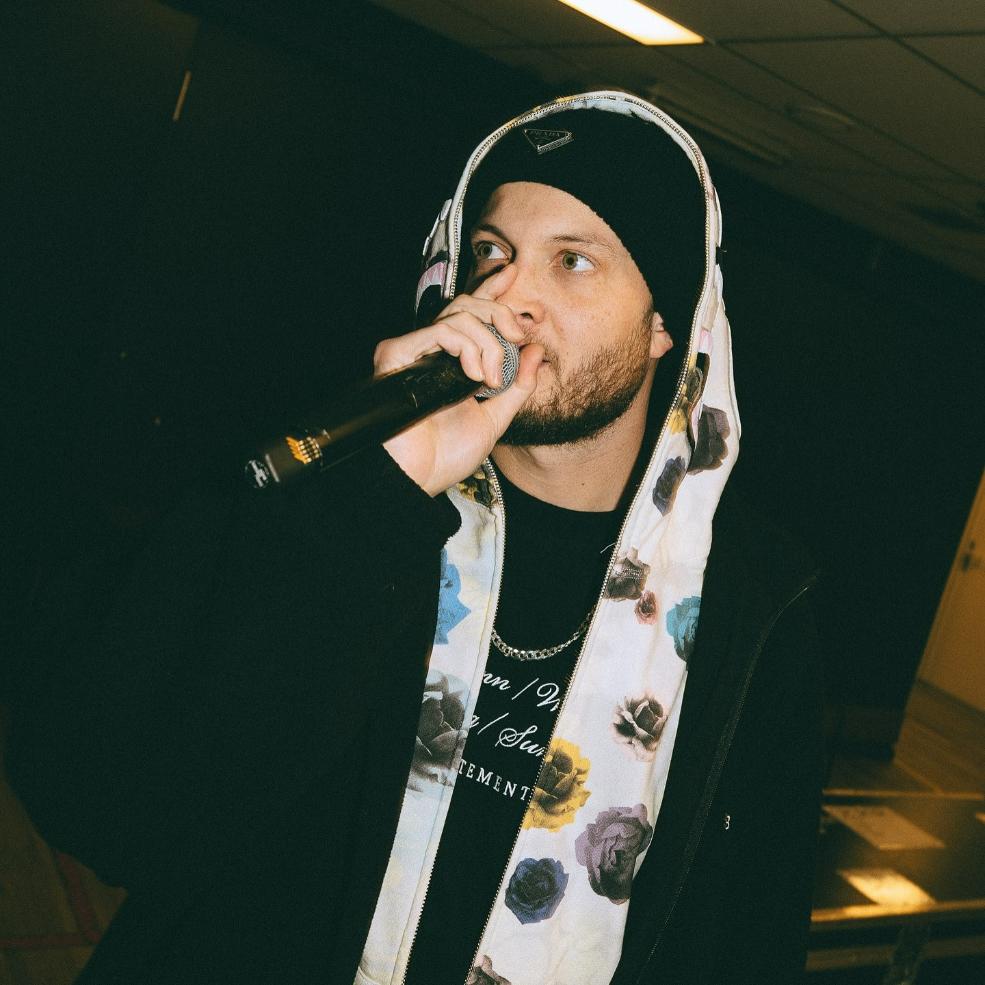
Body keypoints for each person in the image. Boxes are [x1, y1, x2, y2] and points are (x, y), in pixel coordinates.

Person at [6, 92, 824, 985]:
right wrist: (383, 486)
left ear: (665, 323)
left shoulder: (749, 608)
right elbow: (110, 808)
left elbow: (750, 936)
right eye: (491, 253)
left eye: (573, 261)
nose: (506, 296)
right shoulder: (337, 488)